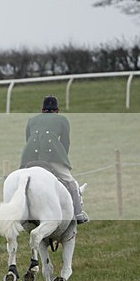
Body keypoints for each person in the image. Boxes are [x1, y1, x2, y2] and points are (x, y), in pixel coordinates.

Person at [20, 95, 89, 224]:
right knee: (71, 182)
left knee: (20, 182)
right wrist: (62, 158)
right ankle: (78, 214)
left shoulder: (31, 120)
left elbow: (28, 139)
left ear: (42, 110)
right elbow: (65, 143)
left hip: (29, 157)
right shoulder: (62, 120)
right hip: (52, 157)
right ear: (57, 110)